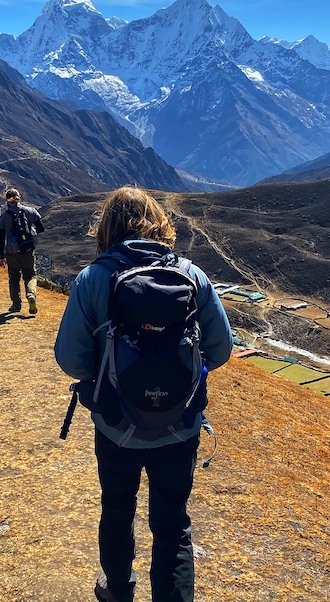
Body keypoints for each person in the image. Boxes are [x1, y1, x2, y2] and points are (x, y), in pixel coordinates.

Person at [54, 186, 233, 602]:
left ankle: (118, 590)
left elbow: (71, 361)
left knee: (117, 509)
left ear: (107, 228)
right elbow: (221, 350)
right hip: (180, 426)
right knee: (173, 524)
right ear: (159, 223)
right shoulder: (191, 275)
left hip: (116, 425)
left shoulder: (93, 278)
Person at [0, 187, 45, 315]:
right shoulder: (30, 211)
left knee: (14, 278)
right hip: (27, 250)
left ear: (7, 201)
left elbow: (1, 238)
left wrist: (1, 256)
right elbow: (41, 228)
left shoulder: (4, 217)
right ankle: (31, 294)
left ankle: (16, 305)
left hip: (11, 252)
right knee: (30, 275)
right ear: (19, 198)